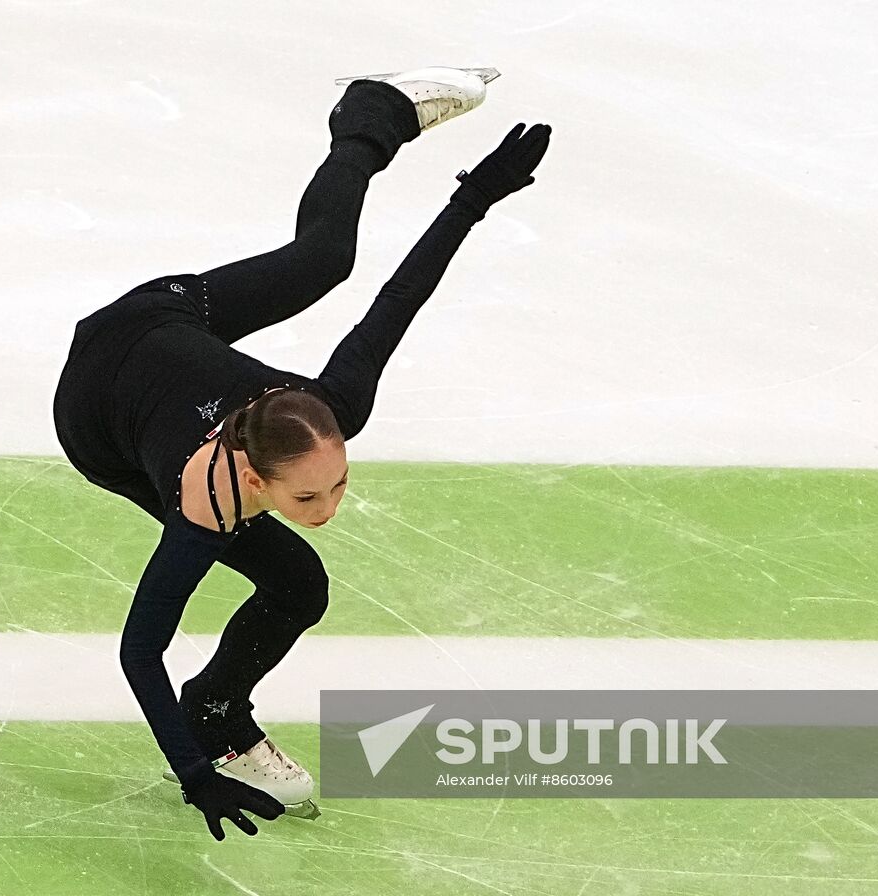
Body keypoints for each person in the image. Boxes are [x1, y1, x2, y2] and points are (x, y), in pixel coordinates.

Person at [52, 66, 550, 841]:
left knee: (325, 258)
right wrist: (194, 775)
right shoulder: (206, 503)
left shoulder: (331, 408)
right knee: (298, 580)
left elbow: (397, 299)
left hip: (170, 321)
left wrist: (471, 200)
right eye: (308, 499)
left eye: (337, 486)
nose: (328, 509)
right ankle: (215, 717)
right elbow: (139, 652)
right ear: (255, 478)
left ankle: (374, 112)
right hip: (97, 419)